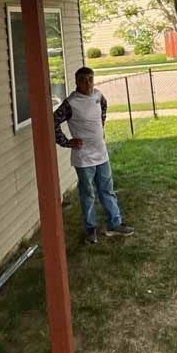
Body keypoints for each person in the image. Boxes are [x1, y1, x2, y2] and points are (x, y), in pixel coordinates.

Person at [54, 67, 135, 245]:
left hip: (101, 153)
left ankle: (115, 224)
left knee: (107, 190)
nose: (88, 83)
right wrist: (67, 142)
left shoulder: (98, 96)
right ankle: (91, 229)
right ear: (77, 82)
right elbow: (53, 122)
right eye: (84, 80)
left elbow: (103, 109)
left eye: (91, 79)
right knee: (88, 193)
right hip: (84, 158)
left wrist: (100, 126)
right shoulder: (71, 103)